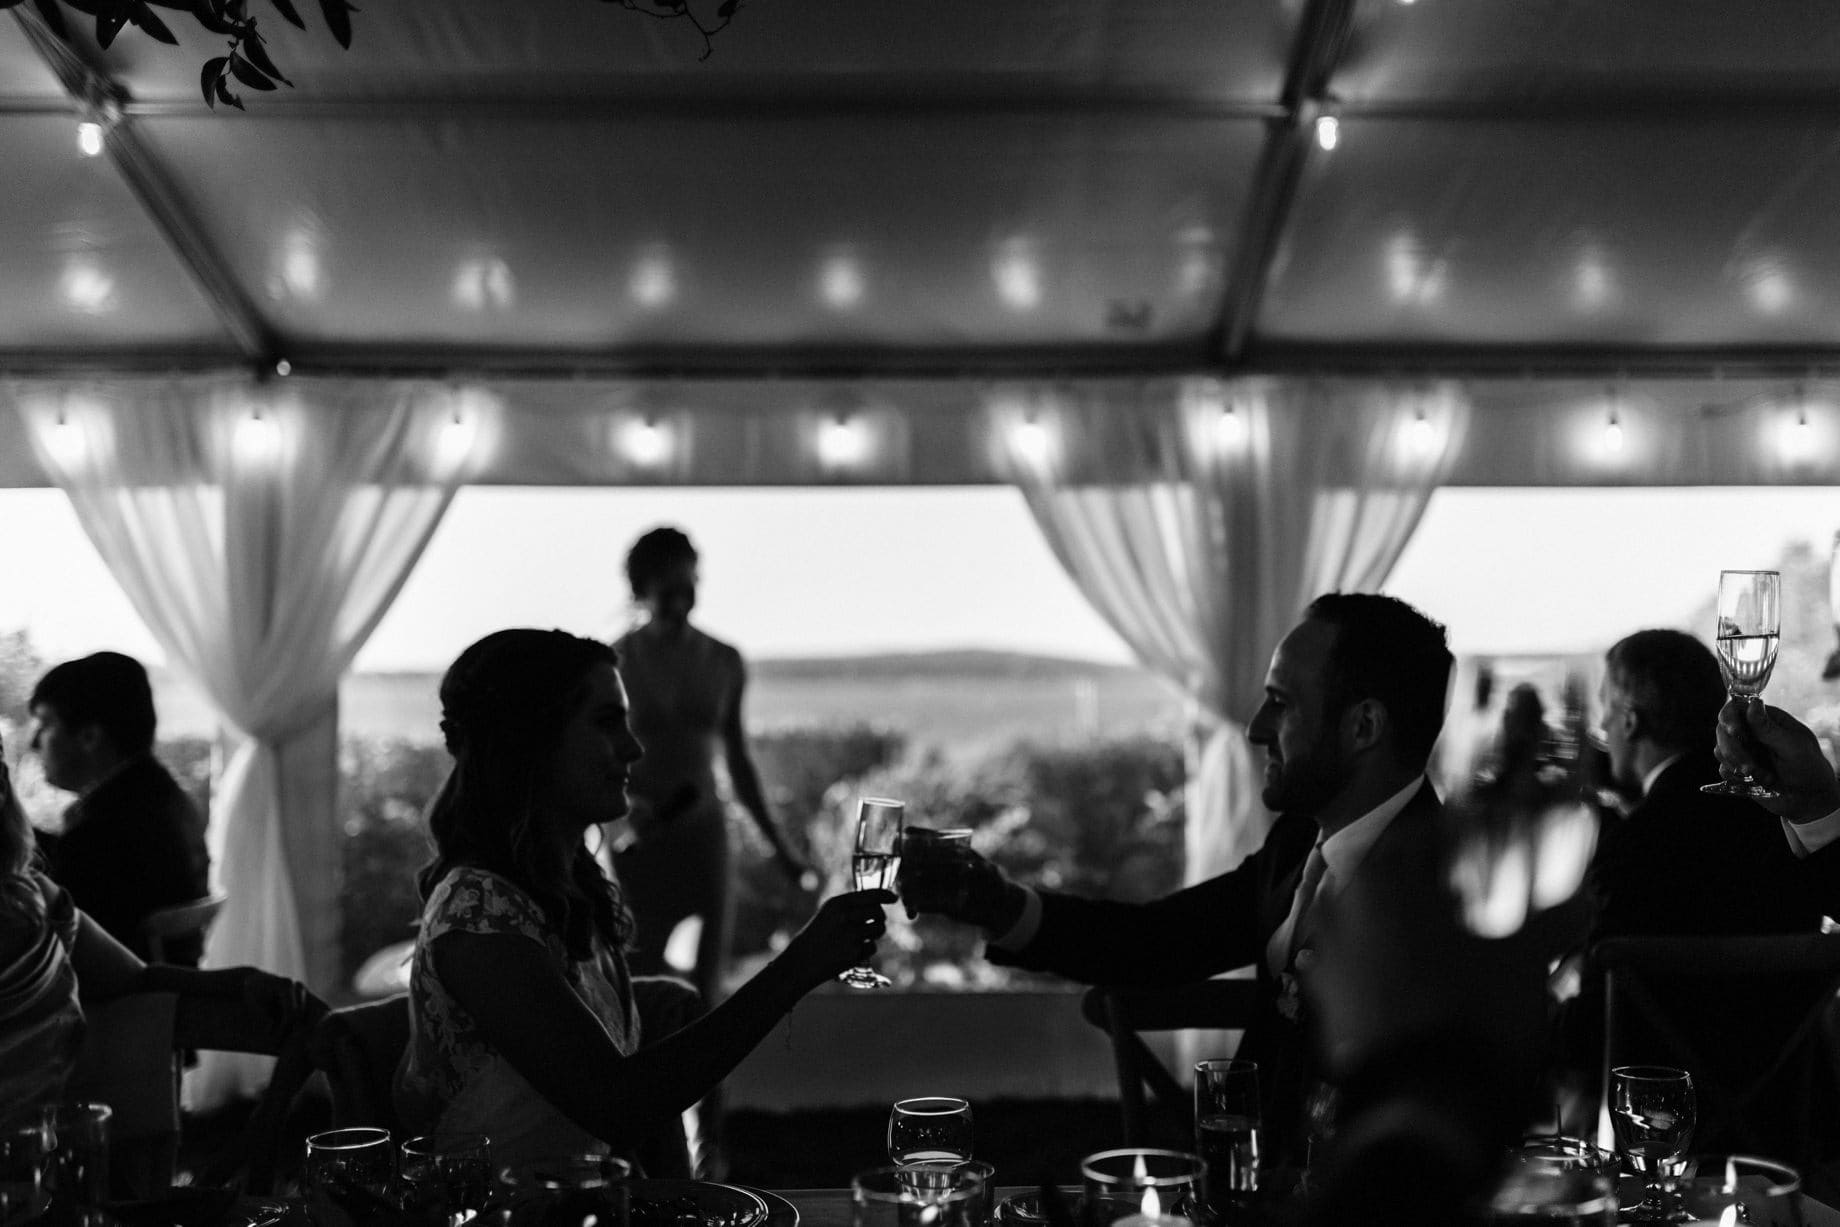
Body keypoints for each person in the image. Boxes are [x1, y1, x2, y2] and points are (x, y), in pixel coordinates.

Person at [901, 592, 1456, 1163]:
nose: (1255, 728)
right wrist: (997, 905)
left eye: (1281, 703)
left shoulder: (1449, 897)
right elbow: (1157, 941)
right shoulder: (1296, 843)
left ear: (1363, 726)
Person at [394, 628, 891, 1169]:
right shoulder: (478, 918)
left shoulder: (567, 890)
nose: (634, 748)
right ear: (532, 742)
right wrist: (798, 966)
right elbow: (619, 1105)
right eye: (607, 722)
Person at [0, 731, 318, 1117]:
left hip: (51, 1152)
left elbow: (134, 978)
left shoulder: (37, 898)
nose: (36, 740)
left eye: (47, 723)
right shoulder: (36, 895)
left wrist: (242, 981)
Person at [610, 528, 811, 1005]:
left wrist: (780, 848)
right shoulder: (616, 661)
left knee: (708, 981)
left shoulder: (723, 660)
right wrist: (623, 809)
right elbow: (600, 753)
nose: (680, 599)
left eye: (688, 584)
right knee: (640, 974)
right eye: (667, 587)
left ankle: (708, 1080)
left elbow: (738, 762)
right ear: (642, 588)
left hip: (705, 833)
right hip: (639, 836)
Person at [28, 652, 211, 965]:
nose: (34, 742)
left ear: (89, 737)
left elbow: (56, 935)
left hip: (112, 1007)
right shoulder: (169, 802)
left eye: (46, 723)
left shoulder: (104, 833)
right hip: (165, 998)